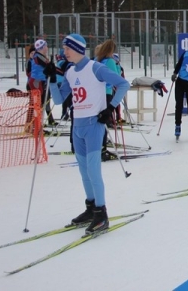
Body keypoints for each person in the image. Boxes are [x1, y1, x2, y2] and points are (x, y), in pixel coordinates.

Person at [45, 33, 130, 235]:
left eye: (67, 48)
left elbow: (123, 84)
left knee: (93, 171)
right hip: (78, 126)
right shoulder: (71, 72)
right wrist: (51, 78)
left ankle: (102, 214)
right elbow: (58, 100)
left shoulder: (96, 67)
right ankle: (91, 208)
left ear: (77, 49)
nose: (64, 52)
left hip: (94, 124)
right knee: (84, 172)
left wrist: (110, 108)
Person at [95, 39, 122, 160]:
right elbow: (116, 76)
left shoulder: (97, 60)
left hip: (96, 93)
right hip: (107, 92)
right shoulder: (110, 61)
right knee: (104, 119)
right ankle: (103, 148)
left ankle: (98, 146)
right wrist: (117, 65)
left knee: (99, 119)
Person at [30, 39, 55, 126]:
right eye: (46, 46)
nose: (47, 48)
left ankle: (47, 120)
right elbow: (48, 66)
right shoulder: (38, 56)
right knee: (38, 103)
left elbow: (49, 66)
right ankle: (36, 125)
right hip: (37, 81)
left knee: (45, 101)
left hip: (42, 81)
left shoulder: (41, 56)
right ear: (42, 47)